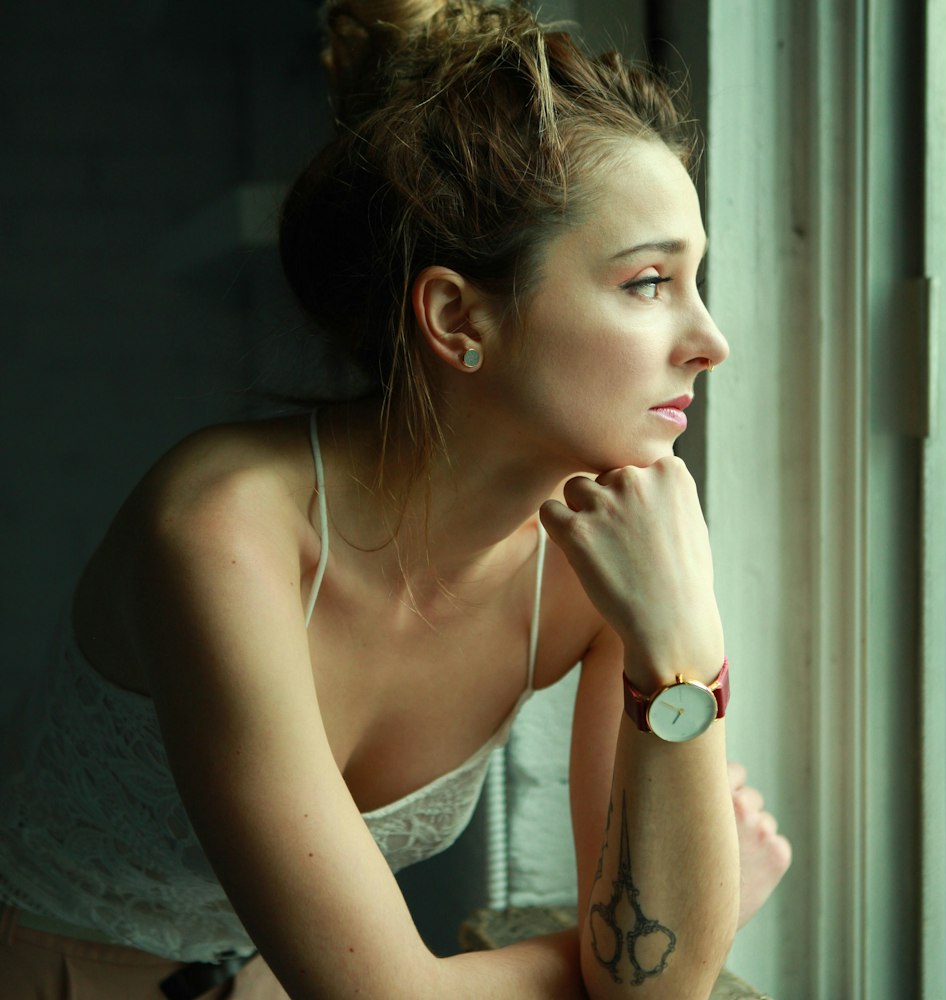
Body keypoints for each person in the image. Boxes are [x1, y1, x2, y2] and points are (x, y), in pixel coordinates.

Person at [0, 1, 791, 997]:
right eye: (646, 282)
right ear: (459, 316)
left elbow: (656, 985)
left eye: (696, 279)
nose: (709, 339)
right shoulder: (222, 530)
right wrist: (655, 931)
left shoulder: (612, 550)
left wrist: (684, 644)